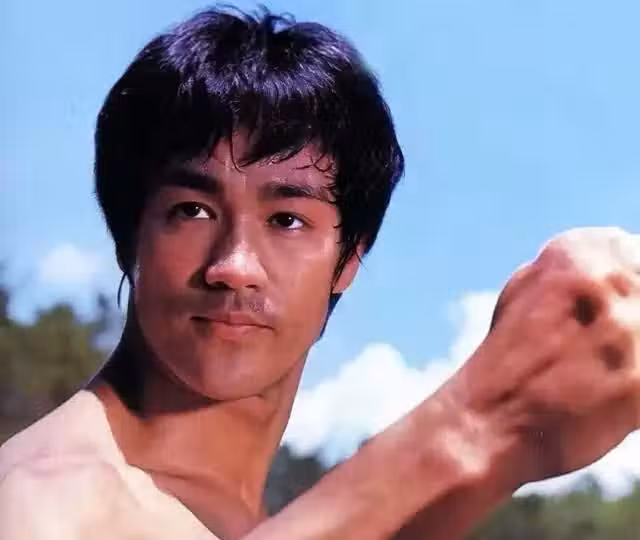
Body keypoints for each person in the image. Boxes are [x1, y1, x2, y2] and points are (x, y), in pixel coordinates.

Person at [1, 6, 639, 540]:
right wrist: (481, 423)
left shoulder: (245, 518)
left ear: (348, 259)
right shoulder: (44, 503)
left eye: (287, 220)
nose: (234, 267)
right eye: (191, 210)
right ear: (128, 237)